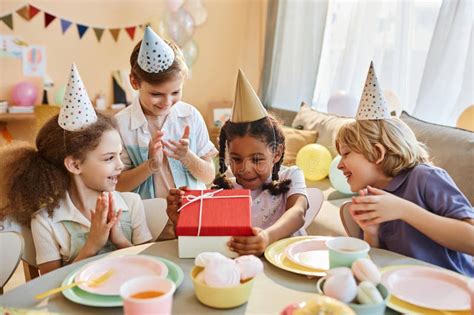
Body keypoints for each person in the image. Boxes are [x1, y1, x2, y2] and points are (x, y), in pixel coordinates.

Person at [0, 64, 152, 274]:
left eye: (119, 155)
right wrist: (91, 246)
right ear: (75, 164)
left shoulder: (132, 204)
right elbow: (49, 284)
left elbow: (151, 268)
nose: (120, 165)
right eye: (109, 158)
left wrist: (120, 240)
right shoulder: (46, 222)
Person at [336, 62, 474, 276]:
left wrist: (404, 210)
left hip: (455, 289)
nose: (339, 164)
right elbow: (380, 266)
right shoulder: (371, 195)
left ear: (378, 153)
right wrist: (371, 233)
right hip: (407, 289)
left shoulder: (424, 177)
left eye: (346, 154)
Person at [166, 70, 309, 256]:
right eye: (236, 159)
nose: (245, 169)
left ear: (276, 153)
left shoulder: (290, 175)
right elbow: (207, 245)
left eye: (257, 159)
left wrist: (266, 237)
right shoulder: (224, 191)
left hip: (289, 261)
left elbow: (298, 213)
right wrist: (181, 220)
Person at [115, 26, 217, 203]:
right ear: (134, 82)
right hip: (148, 224)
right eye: (156, 94)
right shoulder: (120, 125)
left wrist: (187, 156)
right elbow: (118, 184)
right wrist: (150, 165)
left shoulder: (191, 117)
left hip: (191, 216)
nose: (167, 102)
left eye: (175, 92)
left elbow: (208, 176)